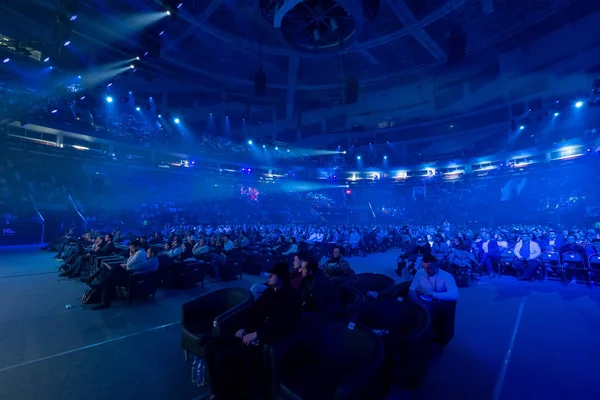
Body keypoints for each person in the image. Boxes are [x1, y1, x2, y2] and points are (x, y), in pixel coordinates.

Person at [205, 262, 301, 400]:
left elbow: (285, 325)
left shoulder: (292, 297)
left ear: (282, 278)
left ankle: (226, 394)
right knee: (210, 347)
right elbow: (254, 312)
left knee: (223, 356)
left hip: (264, 339)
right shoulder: (269, 292)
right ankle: (216, 390)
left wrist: (258, 334)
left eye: (273, 274)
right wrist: (245, 327)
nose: (269, 276)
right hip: (251, 333)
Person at [90, 240, 158, 310]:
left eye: (148, 252)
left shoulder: (147, 259)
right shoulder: (152, 260)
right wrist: (129, 266)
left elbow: (131, 265)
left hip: (134, 279)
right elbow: (136, 267)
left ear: (152, 253)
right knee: (112, 274)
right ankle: (104, 299)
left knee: (113, 272)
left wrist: (131, 256)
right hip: (136, 277)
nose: (146, 253)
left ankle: (103, 294)